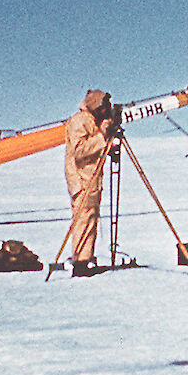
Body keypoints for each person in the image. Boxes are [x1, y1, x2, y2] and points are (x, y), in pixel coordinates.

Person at [63, 89, 115, 277]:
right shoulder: (79, 121)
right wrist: (102, 136)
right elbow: (79, 150)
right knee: (83, 219)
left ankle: (86, 258)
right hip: (81, 180)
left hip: (91, 179)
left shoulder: (92, 120)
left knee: (90, 218)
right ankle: (81, 262)